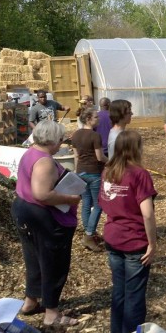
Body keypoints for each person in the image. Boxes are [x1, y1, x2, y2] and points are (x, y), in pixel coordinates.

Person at [11, 120, 82, 326]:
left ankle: (31, 302)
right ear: (51, 140)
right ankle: (52, 314)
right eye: (60, 140)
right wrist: (72, 199)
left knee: (33, 258)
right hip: (42, 217)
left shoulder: (30, 152)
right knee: (54, 263)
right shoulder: (45, 161)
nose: (61, 144)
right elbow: (42, 194)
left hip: (23, 209)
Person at [99, 130, 158, 333]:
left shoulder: (108, 171)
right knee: (134, 296)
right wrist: (152, 243)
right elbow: (148, 213)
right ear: (136, 148)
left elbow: (104, 202)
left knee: (119, 290)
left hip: (113, 238)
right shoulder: (139, 174)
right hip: (134, 241)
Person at [71, 107, 108, 252]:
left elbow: (76, 156)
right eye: (96, 117)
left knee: (86, 203)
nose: (98, 119)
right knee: (98, 204)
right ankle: (88, 235)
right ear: (88, 119)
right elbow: (100, 157)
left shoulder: (75, 135)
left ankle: (89, 232)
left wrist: (76, 173)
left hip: (80, 171)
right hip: (94, 173)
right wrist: (111, 161)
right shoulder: (94, 136)